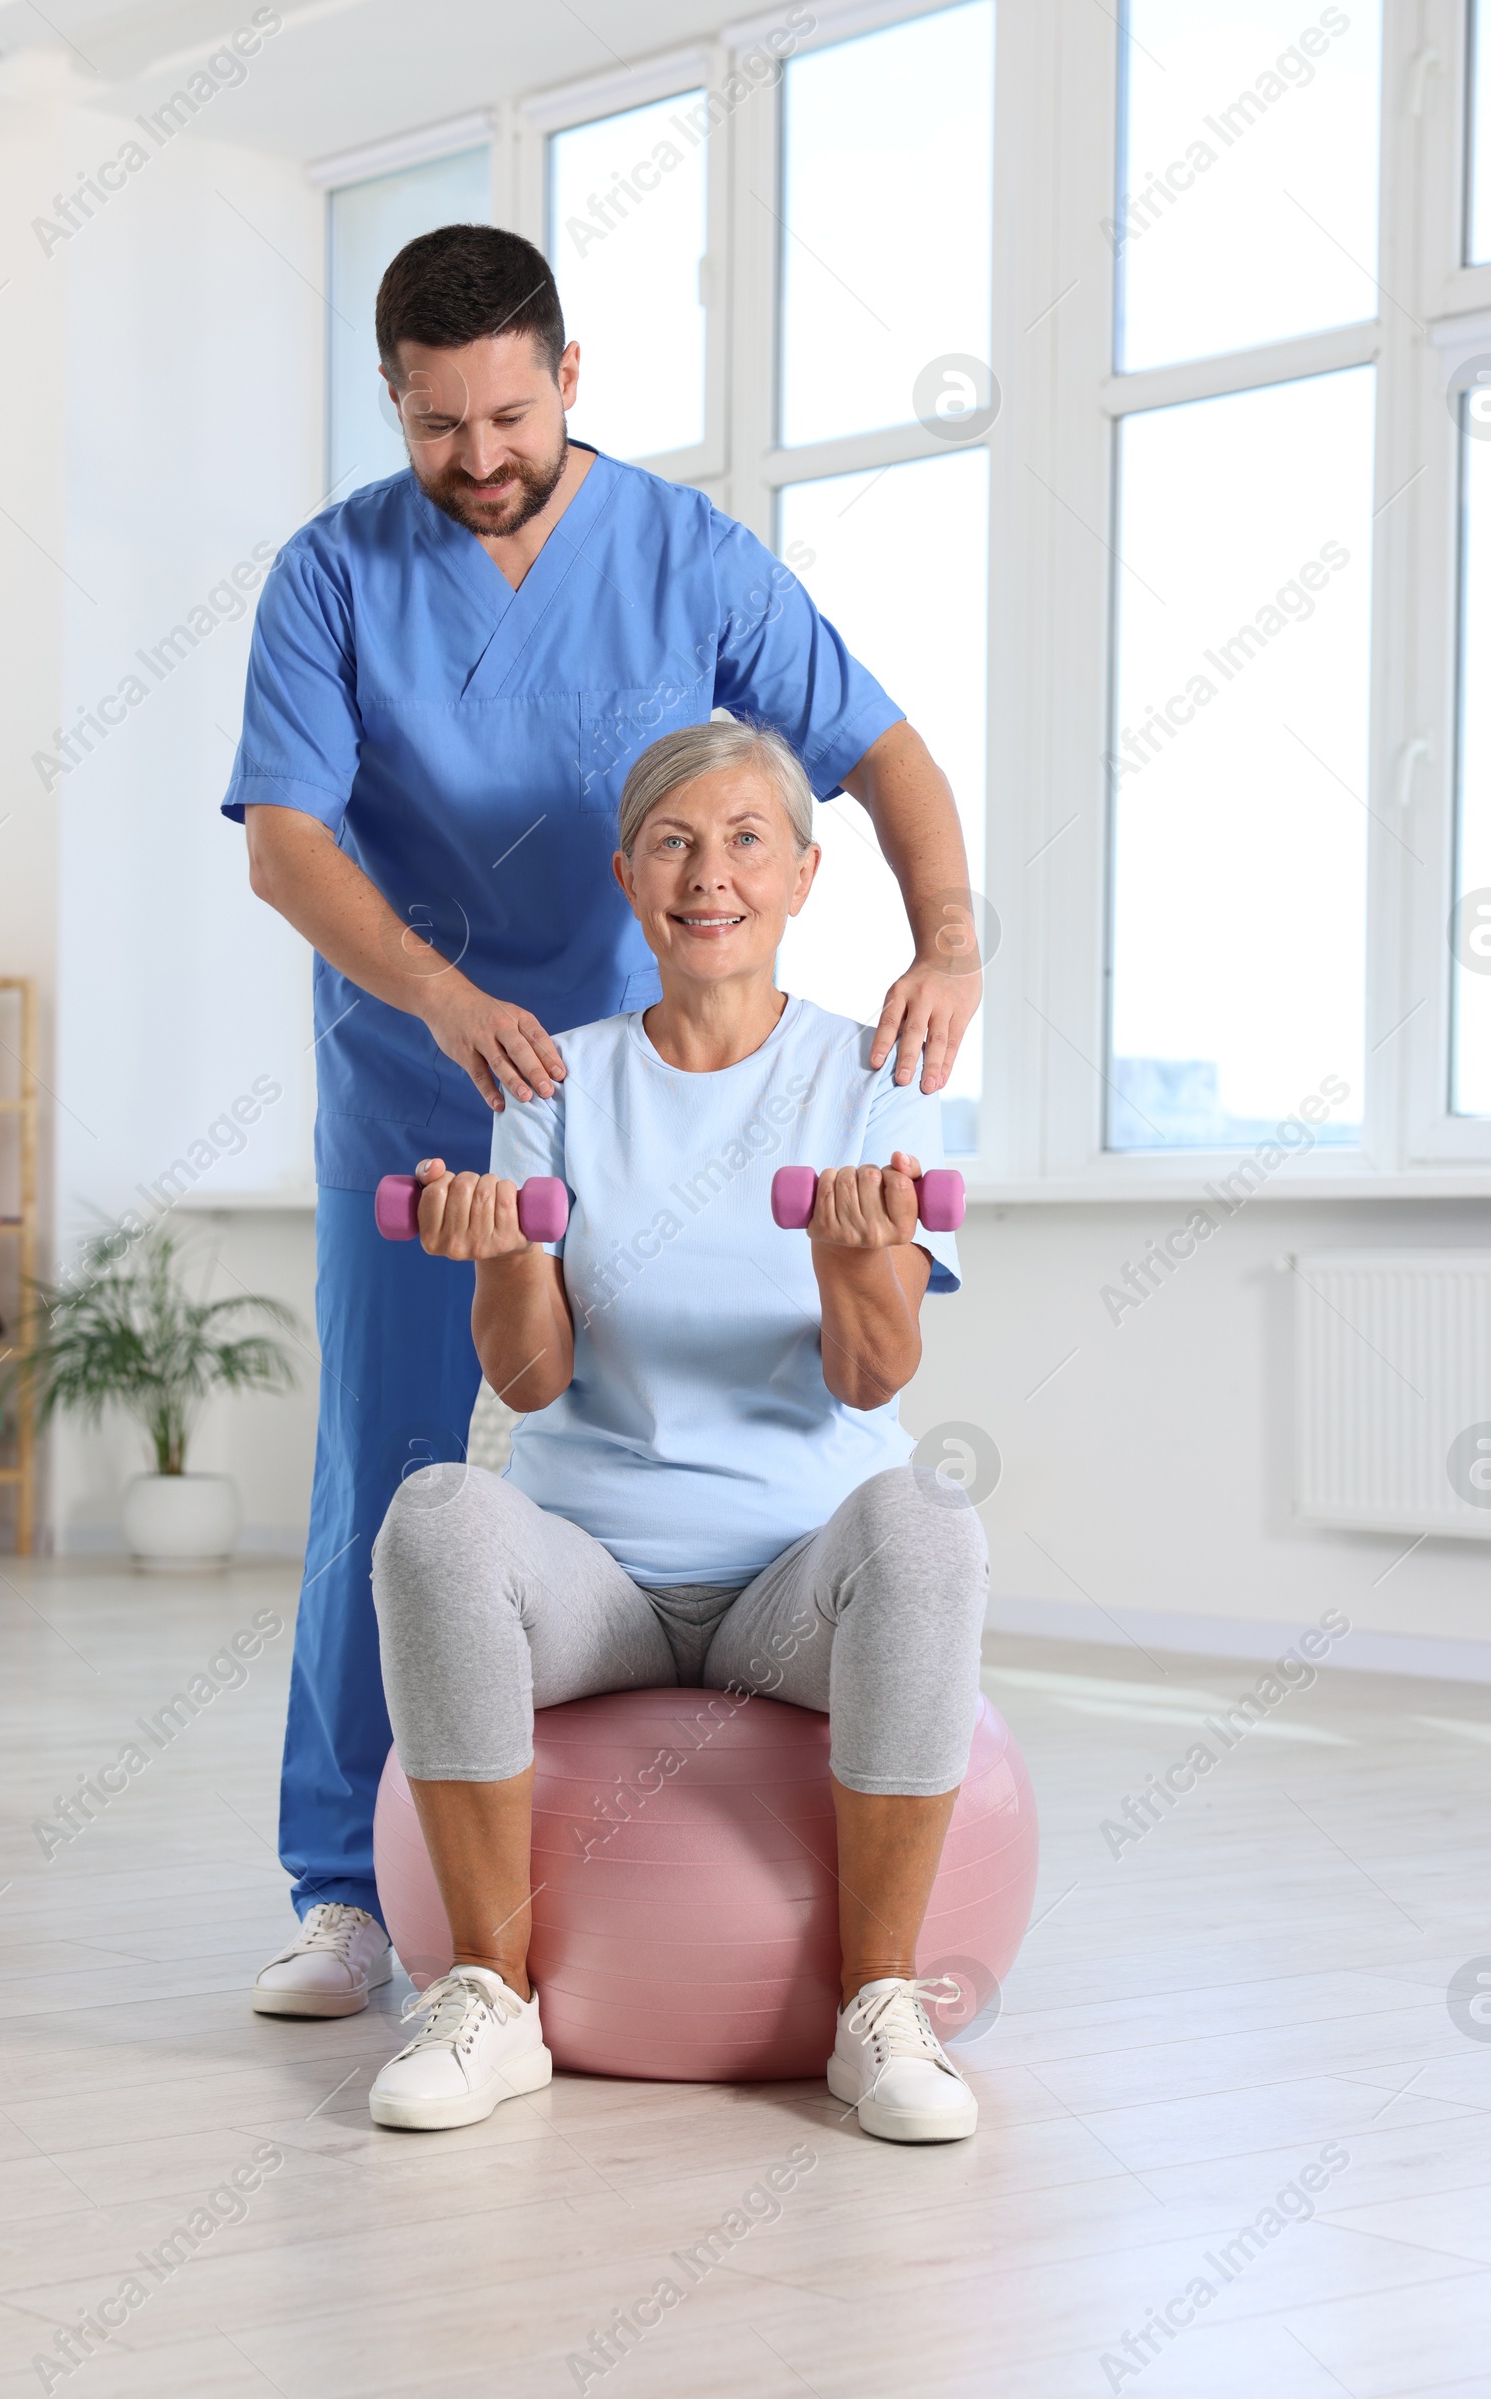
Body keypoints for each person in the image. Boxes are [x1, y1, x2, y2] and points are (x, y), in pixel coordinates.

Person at [230, 223, 982, 2020]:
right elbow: (285, 841)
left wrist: (949, 946)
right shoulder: (332, 575)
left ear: (570, 378)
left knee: (742, 1423)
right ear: (393, 404)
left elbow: (879, 754)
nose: (476, 459)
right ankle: (343, 1890)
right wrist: (436, 997)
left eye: (507, 414)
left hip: (668, 1092)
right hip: (431, 1090)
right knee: (391, 1481)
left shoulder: (688, 558)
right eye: (435, 427)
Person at [365, 720, 988, 2145]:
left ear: (805, 876)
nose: (711, 876)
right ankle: (490, 1998)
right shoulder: (555, 1084)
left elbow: (874, 1374)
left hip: (795, 1592)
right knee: (439, 1514)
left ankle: (878, 2006)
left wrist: (849, 1260)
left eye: (746, 841)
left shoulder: (876, 1078)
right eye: (674, 843)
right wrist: (502, 1256)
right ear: (628, 875)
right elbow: (527, 1383)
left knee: (928, 1517)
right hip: (603, 1585)